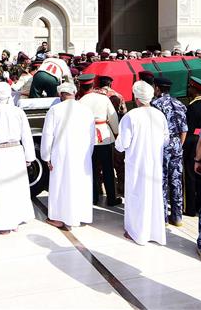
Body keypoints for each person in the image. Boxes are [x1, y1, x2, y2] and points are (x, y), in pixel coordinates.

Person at [115, 81, 168, 245]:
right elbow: (166, 140)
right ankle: (154, 232)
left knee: (137, 196)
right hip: (154, 162)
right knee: (153, 196)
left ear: (136, 97)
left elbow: (123, 143)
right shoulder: (159, 114)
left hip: (136, 163)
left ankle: (136, 232)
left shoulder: (131, 116)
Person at [0, 82, 36, 233]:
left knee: (1, 190)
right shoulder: (18, 112)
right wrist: (29, 156)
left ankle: (5, 225)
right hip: (16, 151)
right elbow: (26, 135)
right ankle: (16, 221)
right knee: (17, 187)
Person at [40, 82, 95, 229]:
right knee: (80, 184)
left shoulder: (55, 110)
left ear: (60, 94)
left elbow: (47, 135)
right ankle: (80, 216)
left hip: (61, 154)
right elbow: (92, 136)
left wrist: (46, 156)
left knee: (61, 186)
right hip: (82, 154)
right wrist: (88, 153)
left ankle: (59, 217)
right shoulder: (86, 110)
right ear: (75, 93)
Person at [77, 73, 120, 206]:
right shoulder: (103, 98)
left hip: (88, 138)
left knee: (92, 168)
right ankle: (111, 198)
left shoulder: (80, 102)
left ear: (81, 86)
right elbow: (113, 117)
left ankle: (94, 196)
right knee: (108, 168)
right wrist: (116, 132)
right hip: (104, 136)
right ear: (93, 85)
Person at [151, 77, 188, 225]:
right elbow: (184, 129)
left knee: (162, 179)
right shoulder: (179, 103)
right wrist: (179, 145)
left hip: (161, 143)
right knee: (176, 180)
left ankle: (163, 217)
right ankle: (177, 216)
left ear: (157, 88)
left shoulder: (155, 104)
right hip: (177, 143)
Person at [184, 77, 201, 216]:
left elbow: (188, 127)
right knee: (200, 175)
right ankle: (200, 205)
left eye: (190, 87)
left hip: (192, 141)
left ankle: (189, 208)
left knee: (189, 175)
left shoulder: (192, 106)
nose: (188, 89)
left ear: (194, 90)